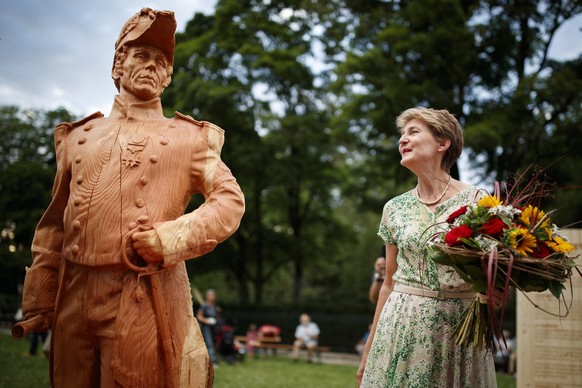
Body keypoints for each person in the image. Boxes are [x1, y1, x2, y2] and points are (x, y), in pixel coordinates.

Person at [17, 8, 245, 387]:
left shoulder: (189, 139)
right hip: (73, 294)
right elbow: (55, 223)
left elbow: (229, 201)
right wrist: (40, 297)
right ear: (117, 65)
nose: (151, 66)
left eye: (161, 62)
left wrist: (168, 239)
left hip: (139, 295)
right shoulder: (78, 137)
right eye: (141, 56)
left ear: (168, 77)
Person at [357, 107, 496, 387]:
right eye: (402, 134)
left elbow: (493, 276)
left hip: (458, 329)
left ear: (442, 143)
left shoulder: (478, 201)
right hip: (400, 324)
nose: (402, 140)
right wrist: (368, 353)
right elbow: (388, 283)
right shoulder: (394, 208)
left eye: (413, 132)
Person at [197, 289, 221, 366]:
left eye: (214, 295)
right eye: (211, 295)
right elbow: (199, 316)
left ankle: (210, 360)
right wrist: (206, 320)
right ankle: (213, 362)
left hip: (213, 328)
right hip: (206, 328)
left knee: (213, 344)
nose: (213, 296)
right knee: (209, 344)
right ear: (207, 296)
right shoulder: (204, 306)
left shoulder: (214, 307)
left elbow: (217, 317)